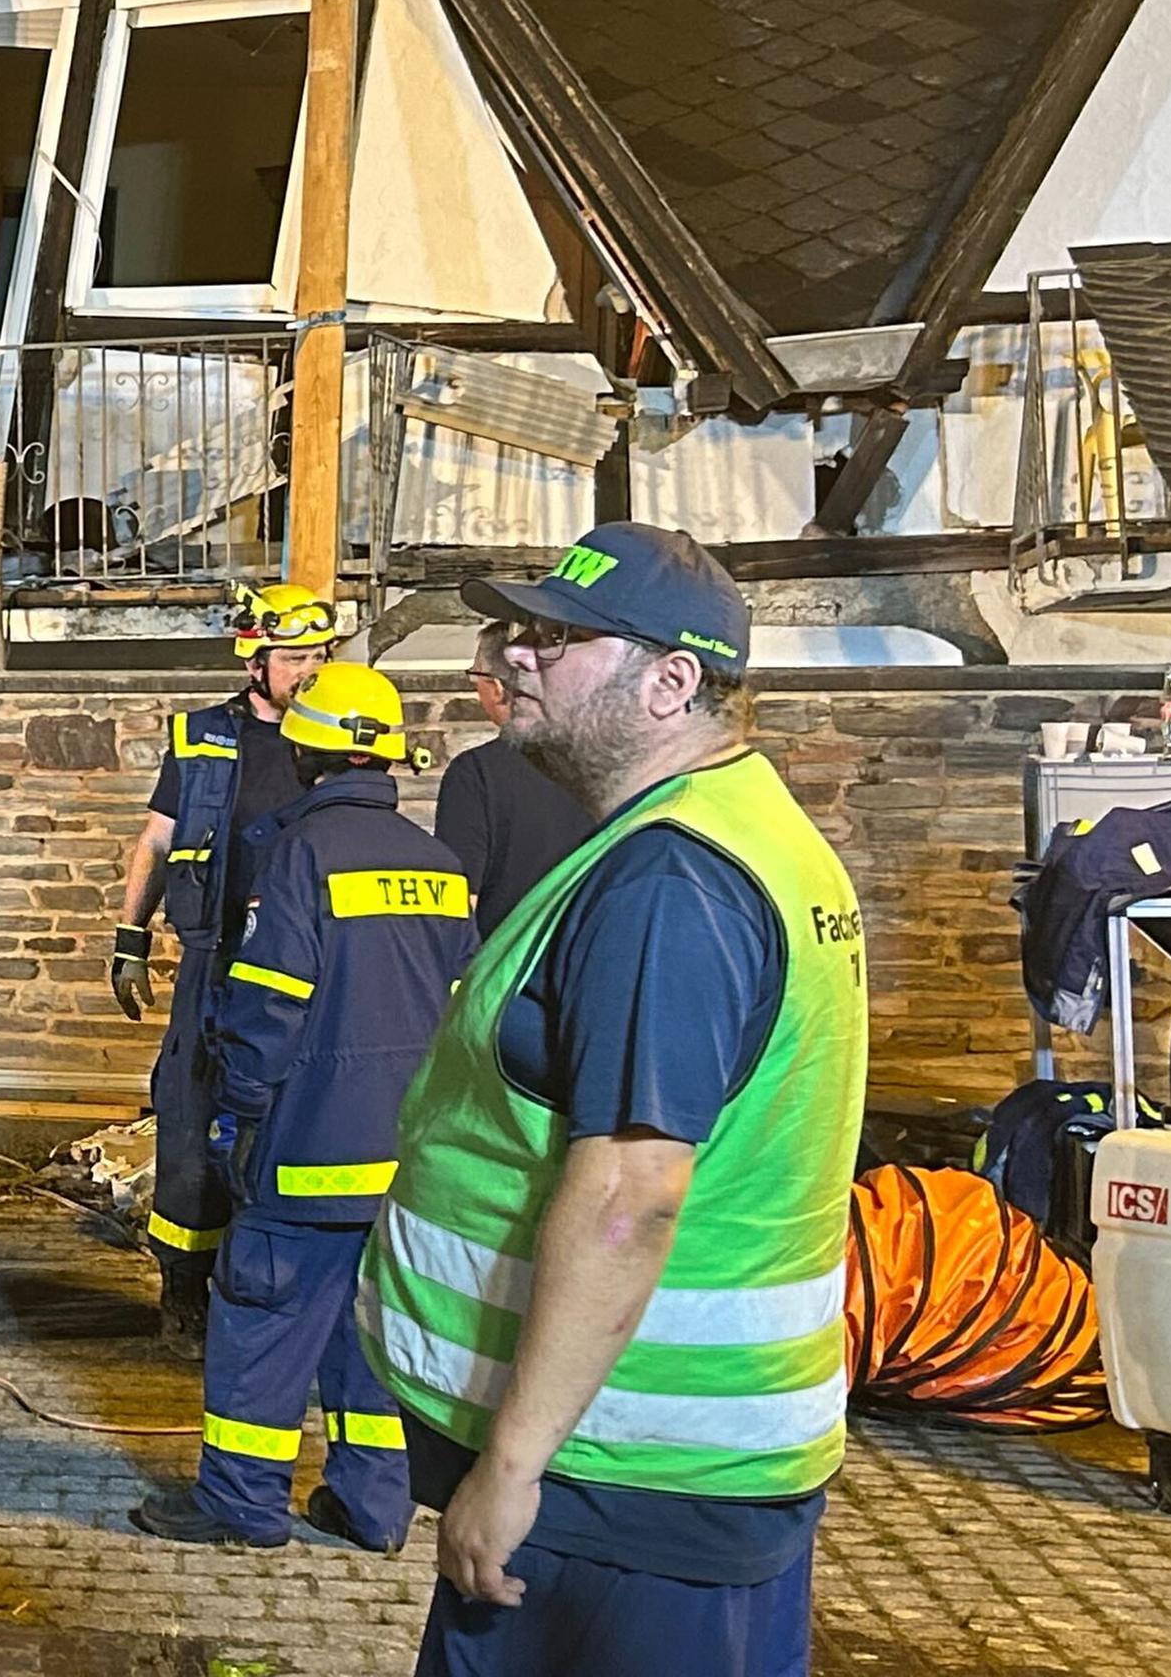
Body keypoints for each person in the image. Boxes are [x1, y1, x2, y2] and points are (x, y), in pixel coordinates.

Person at [369, 524, 863, 1677]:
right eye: (515, 629)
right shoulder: (725, 835)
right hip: (659, 1471)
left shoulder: (673, 882)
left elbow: (631, 1194)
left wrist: (512, 1469)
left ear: (670, 682)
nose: (514, 655)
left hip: (623, 1480)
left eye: (555, 636)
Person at [131, 663, 471, 1553]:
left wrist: (235, 1112)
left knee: (264, 1320)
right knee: (374, 1339)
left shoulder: (299, 857)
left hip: (306, 1149)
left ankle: (242, 1503)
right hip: (409, 1163)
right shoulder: (439, 867)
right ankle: (372, 1506)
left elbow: (269, 1005)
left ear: (307, 748)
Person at [110, 581, 337, 1345]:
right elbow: (156, 840)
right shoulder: (204, 737)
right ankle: (183, 1294)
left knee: (281, 1126)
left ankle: (268, 1290)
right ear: (255, 660)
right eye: (295, 656)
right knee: (190, 1121)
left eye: (318, 654)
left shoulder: (338, 737)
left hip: (300, 964)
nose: (310, 670)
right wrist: (130, 937)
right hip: (214, 964)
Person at [436, 623, 598, 938]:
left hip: (506, 969)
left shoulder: (476, 773)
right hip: (588, 960)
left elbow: (459, 900)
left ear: (497, 687)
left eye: (476, 678)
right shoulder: (603, 766)